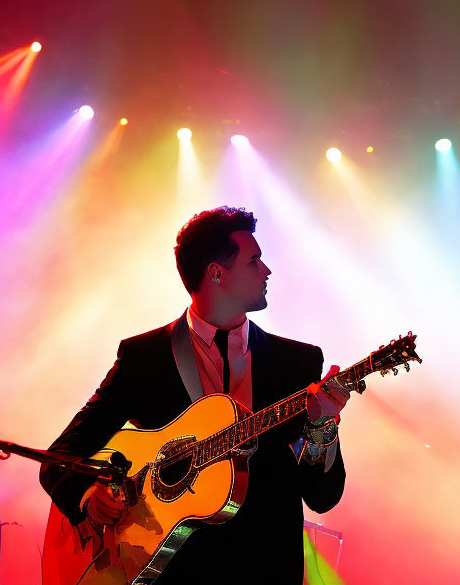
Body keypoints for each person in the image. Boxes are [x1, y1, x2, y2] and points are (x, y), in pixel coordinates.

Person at [40, 206, 350, 584]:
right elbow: (59, 457)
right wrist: (89, 497)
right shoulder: (144, 357)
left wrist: (322, 427)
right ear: (216, 273)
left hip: (268, 566)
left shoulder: (297, 362)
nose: (267, 271)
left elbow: (322, 497)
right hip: (172, 571)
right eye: (254, 261)